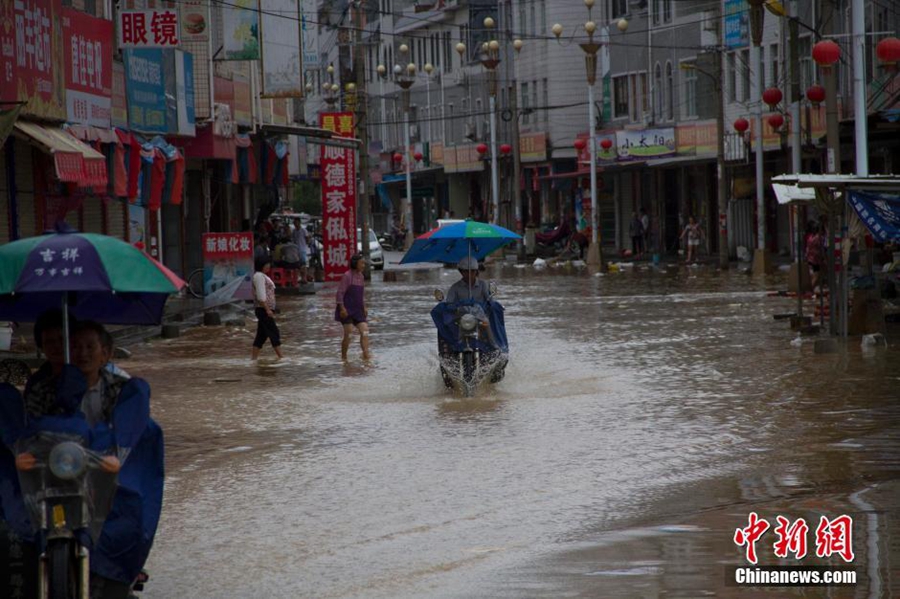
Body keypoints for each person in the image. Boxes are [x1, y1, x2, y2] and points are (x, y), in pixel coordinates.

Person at [335, 253, 370, 361]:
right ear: (355, 264)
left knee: (365, 331)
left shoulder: (361, 277)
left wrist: (364, 307)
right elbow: (340, 293)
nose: (364, 265)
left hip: (358, 309)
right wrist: (342, 308)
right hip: (346, 309)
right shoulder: (347, 276)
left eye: (364, 263)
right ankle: (344, 358)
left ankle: (366, 356)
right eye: (362, 263)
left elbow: (361, 294)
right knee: (349, 333)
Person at [251, 259, 284, 360]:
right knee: (273, 332)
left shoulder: (262, 276)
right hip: (263, 309)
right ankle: (281, 357)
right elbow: (261, 295)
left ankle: (253, 359)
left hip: (264, 309)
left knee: (261, 336)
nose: (268, 266)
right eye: (267, 264)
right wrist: (267, 309)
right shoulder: (259, 276)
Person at [805, 222, 825, 292]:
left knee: (813, 275)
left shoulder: (810, 237)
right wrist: (824, 258)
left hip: (810, 259)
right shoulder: (819, 238)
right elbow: (822, 249)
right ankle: (810, 290)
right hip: (816, 259)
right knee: (816, 275)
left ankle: (811, 289)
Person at [292, 218, 310, 283]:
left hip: (302, 249)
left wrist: (306, 244)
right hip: (296, 250)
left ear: (299, 223)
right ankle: (300, 277)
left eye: (296, 222)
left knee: (303, 264)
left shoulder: (303, 230)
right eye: (294, 223)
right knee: (298, 265)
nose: (295, 224)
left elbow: (307, 239)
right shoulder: (294, 231)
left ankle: (304, 278)